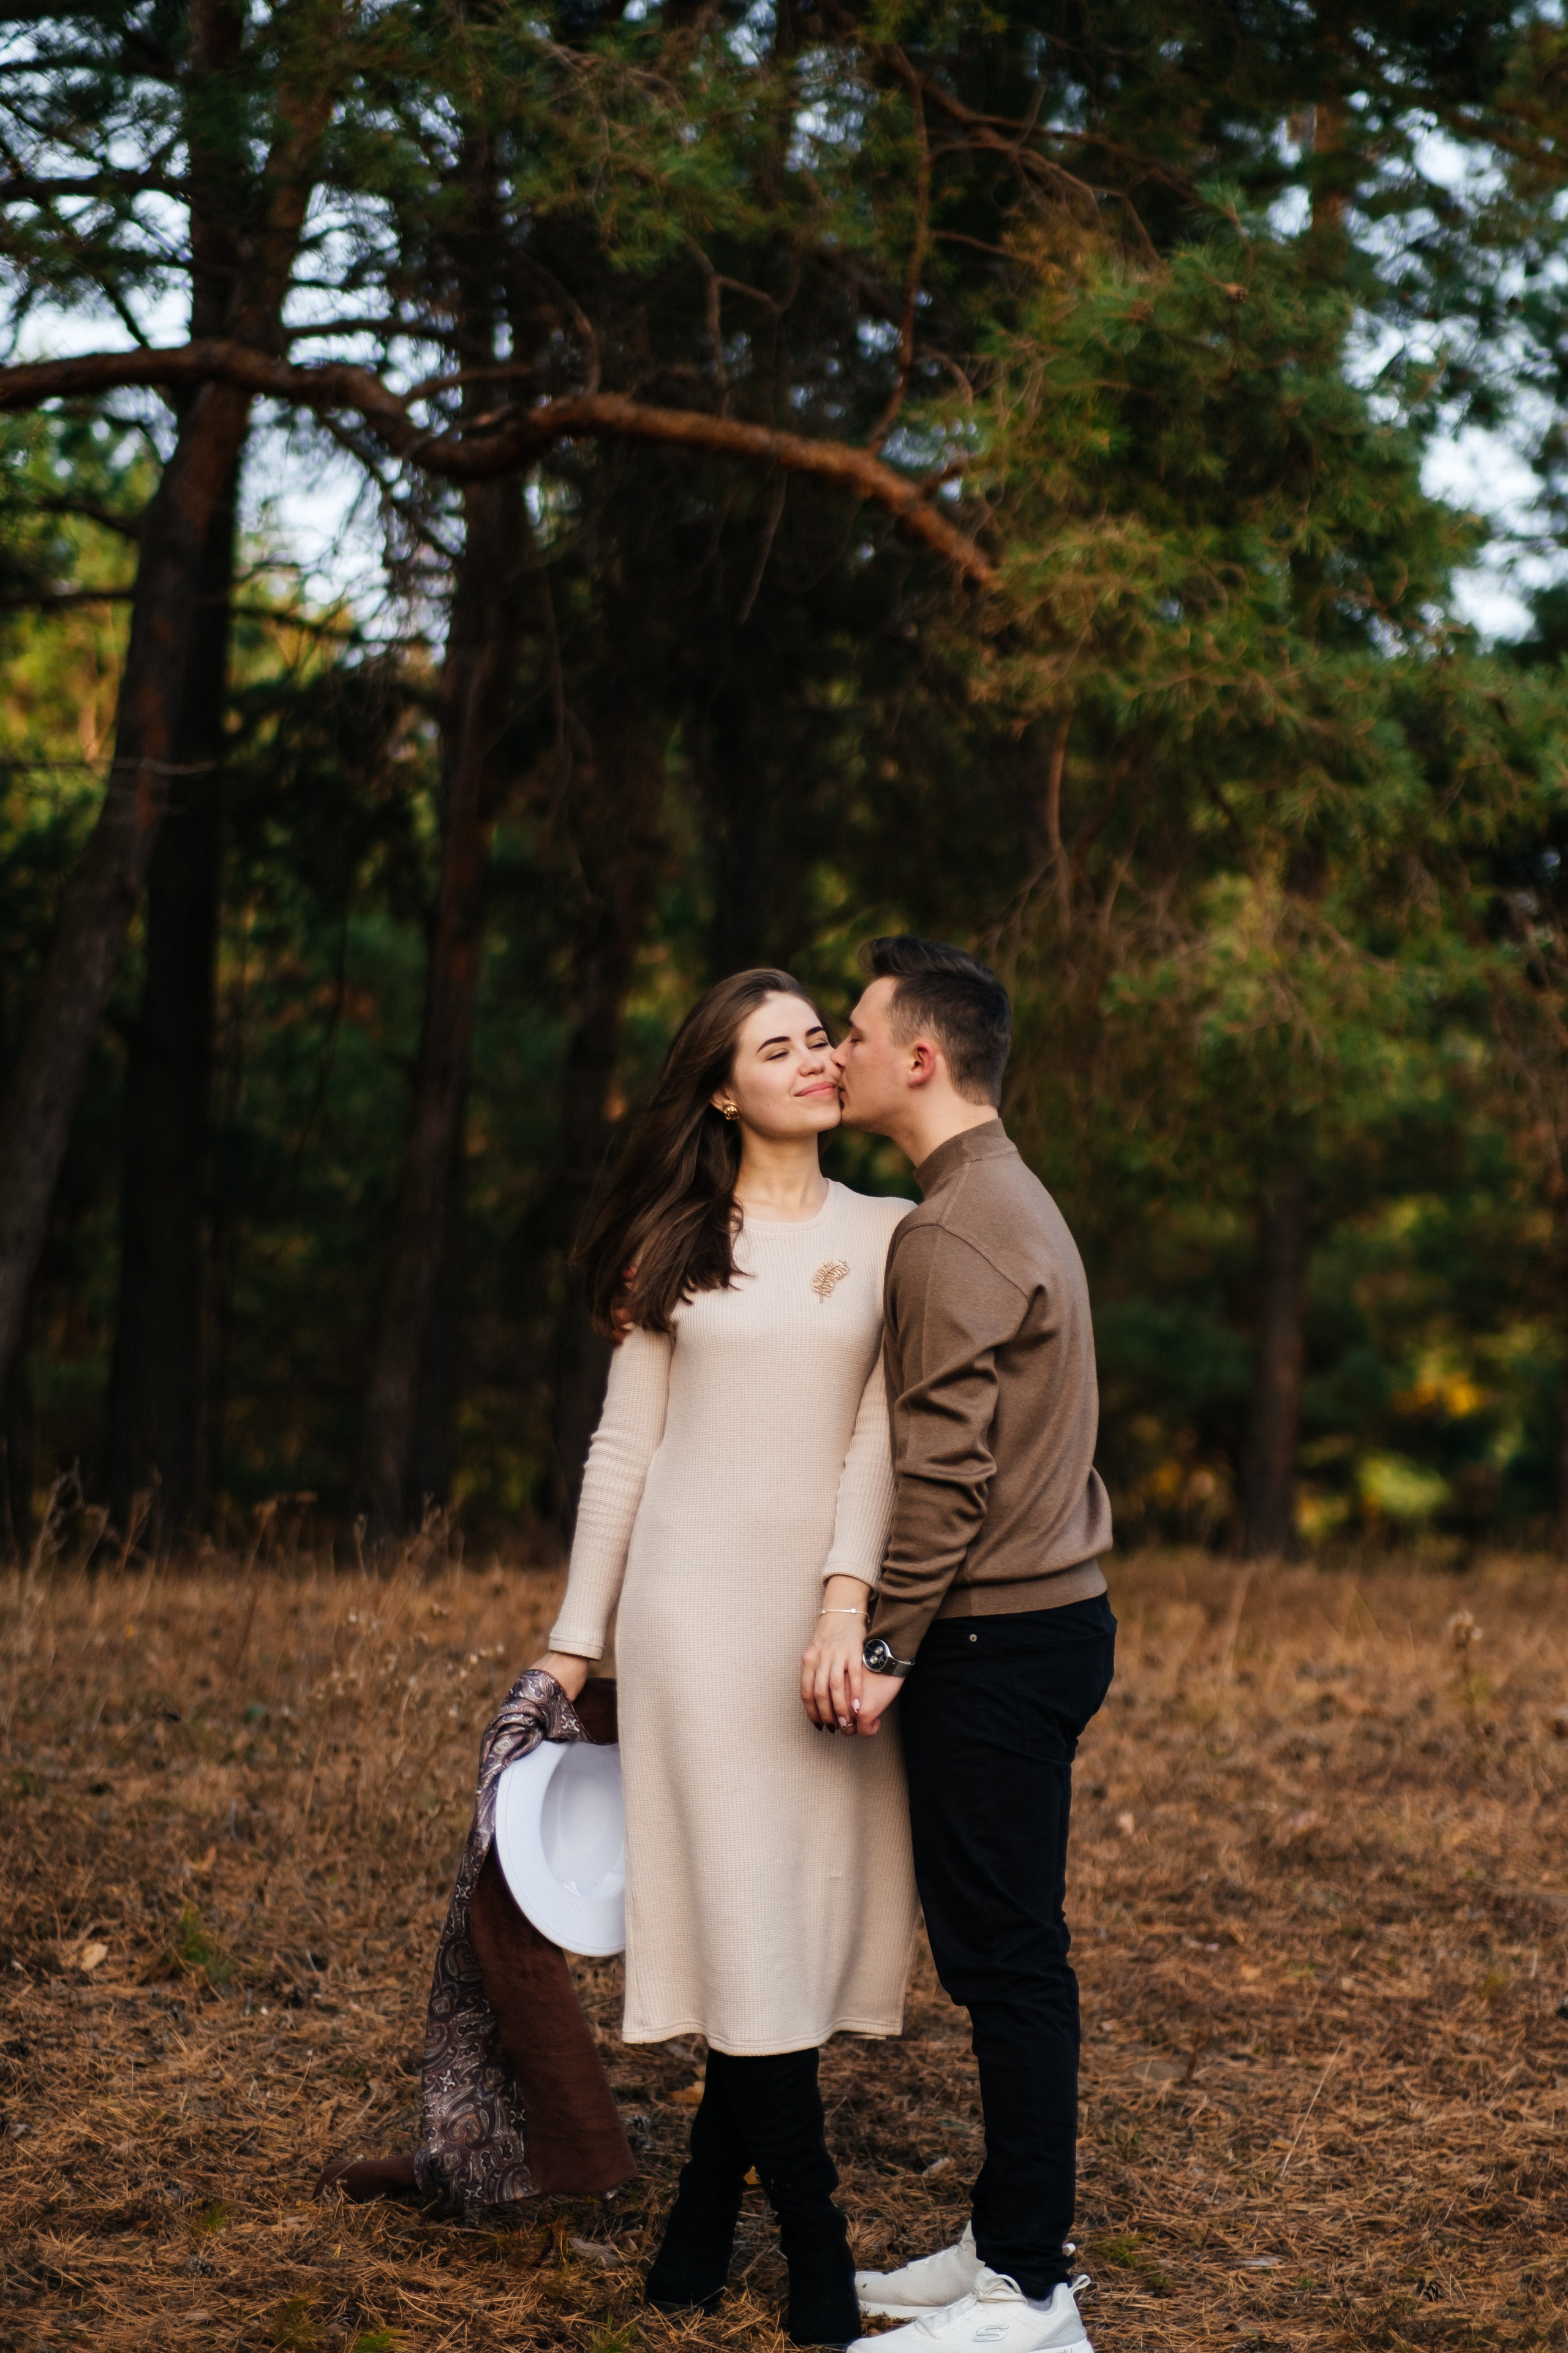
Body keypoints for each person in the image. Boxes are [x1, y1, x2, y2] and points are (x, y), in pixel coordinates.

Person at [530, 967, 919, 2349]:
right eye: (778, 1047)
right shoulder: (673, 1243)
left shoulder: (893, 1234)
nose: (815, 1059)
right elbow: (623, 1450)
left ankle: (698, 2224)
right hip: (689, 1621)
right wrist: (570, 1648)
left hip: (822, 1628)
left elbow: (882, 1440)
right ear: (720, 1090)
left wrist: (844, 1601)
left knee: (784, 1924)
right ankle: (817, 2243)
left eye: (820, 1037)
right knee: (750, 1914)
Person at [827, 937, 1116, 2353]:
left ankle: (1027, 2296)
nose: (838, 1053)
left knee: (1005, 1964)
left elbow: (942, 1475)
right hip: (1042, 1624)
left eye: (854, 1031)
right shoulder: (1003, 1196)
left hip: (996, 1639)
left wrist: (880, 1647)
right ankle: (1007, 2244)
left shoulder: (950, 1230)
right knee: (1010, 1955)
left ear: (920, 1057)